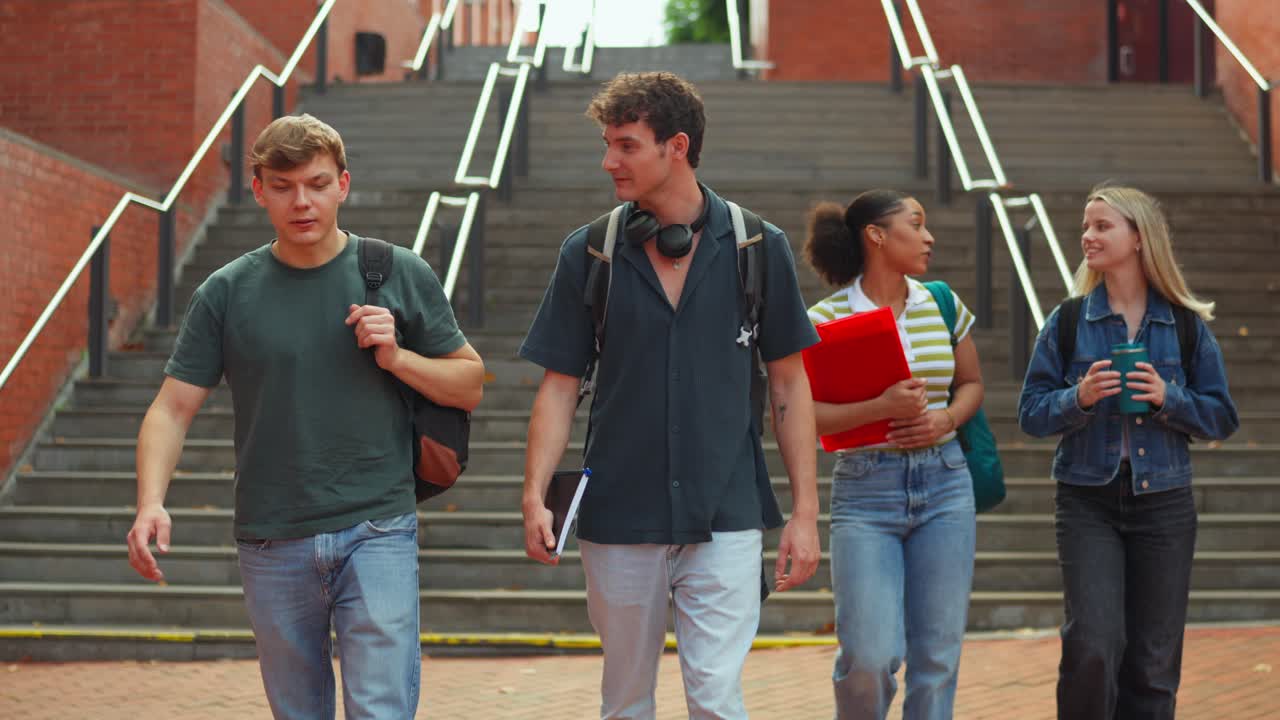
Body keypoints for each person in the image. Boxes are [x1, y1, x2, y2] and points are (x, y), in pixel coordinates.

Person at [125, 113, 485, 719]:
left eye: (317, 184)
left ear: (343, 184)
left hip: (377, 525)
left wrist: (397, 357)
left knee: (382, 709)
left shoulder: (395, 271)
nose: (303, 202)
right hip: (272, 533)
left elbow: (469, 383)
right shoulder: (227, 290)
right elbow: (172, 407)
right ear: (260, 189)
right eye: (284, 186)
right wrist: (150, 501)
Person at [518, 71, 821, 719]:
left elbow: (790, 384)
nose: (609, 161)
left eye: (627, 145)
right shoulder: (590, 253)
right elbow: (559, 386)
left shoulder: (757, 247)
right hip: (619, 516)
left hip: (728, 513)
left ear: (676, 146)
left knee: (716, 697)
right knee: (626, 700)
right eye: (608, 144)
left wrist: (804, 511)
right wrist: (533, 496)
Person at [1018, 185, 1238, 719]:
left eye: (1101, 226)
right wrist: (1079, 398)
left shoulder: (1183, 324)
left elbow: (1221, 417)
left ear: (1139, 238)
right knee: (1092, 643)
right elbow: (1030, 413)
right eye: (1086, 227)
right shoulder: (1069, 321)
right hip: (1086, 500)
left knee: (1153, 661)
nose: (1087, 236)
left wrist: (1169, 399)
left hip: (1163, 503)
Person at [804, 190, 983, 720]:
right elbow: (801, 415)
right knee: (869, 655)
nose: (929, 237)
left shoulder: (943, 302)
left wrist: (946, 418)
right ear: (876, 236)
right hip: (865, 488)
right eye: (917, 224)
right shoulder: (824, 318)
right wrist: (878, 407)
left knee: (937, 658)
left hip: (946, 482)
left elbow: (971, 384)